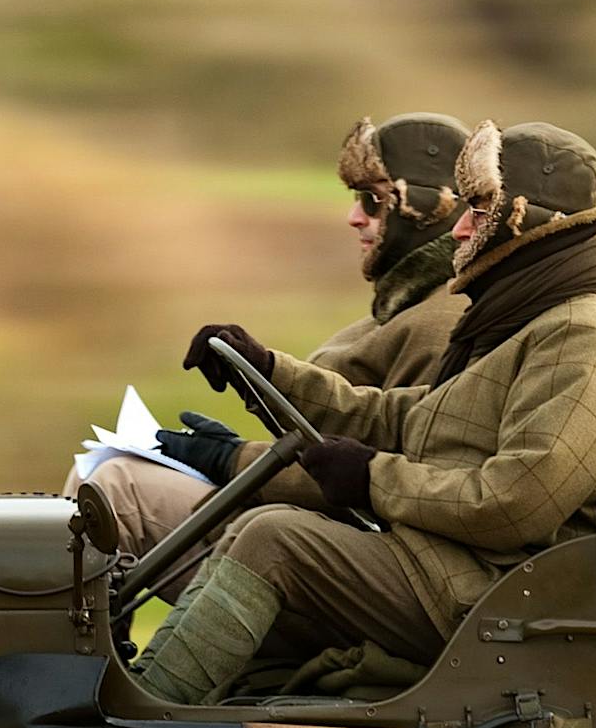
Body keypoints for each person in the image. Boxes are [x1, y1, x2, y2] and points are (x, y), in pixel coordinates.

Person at [136, 119, 596, 704]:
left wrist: (372, 479)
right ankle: (154, 696)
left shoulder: (583, 337)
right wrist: (268, 372)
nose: (460, 226)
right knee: (256, 527)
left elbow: (515, 504)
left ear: (528, 220)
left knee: (273, 540)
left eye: (479, 210)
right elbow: (408, 418)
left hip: (501, 594)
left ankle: (143, 709)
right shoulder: (536, 318)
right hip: (463, 566)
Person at [68, 114, 470, 581]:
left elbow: (387, 480)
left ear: (427, 207)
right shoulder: (407, 306)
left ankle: (59, 629)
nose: (354, 217)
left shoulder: (441, 322)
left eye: (373, 200)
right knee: (101, 475)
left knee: (112, 487)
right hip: (310, 528)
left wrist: (232, 460)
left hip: (339, 555)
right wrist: (254, 395)